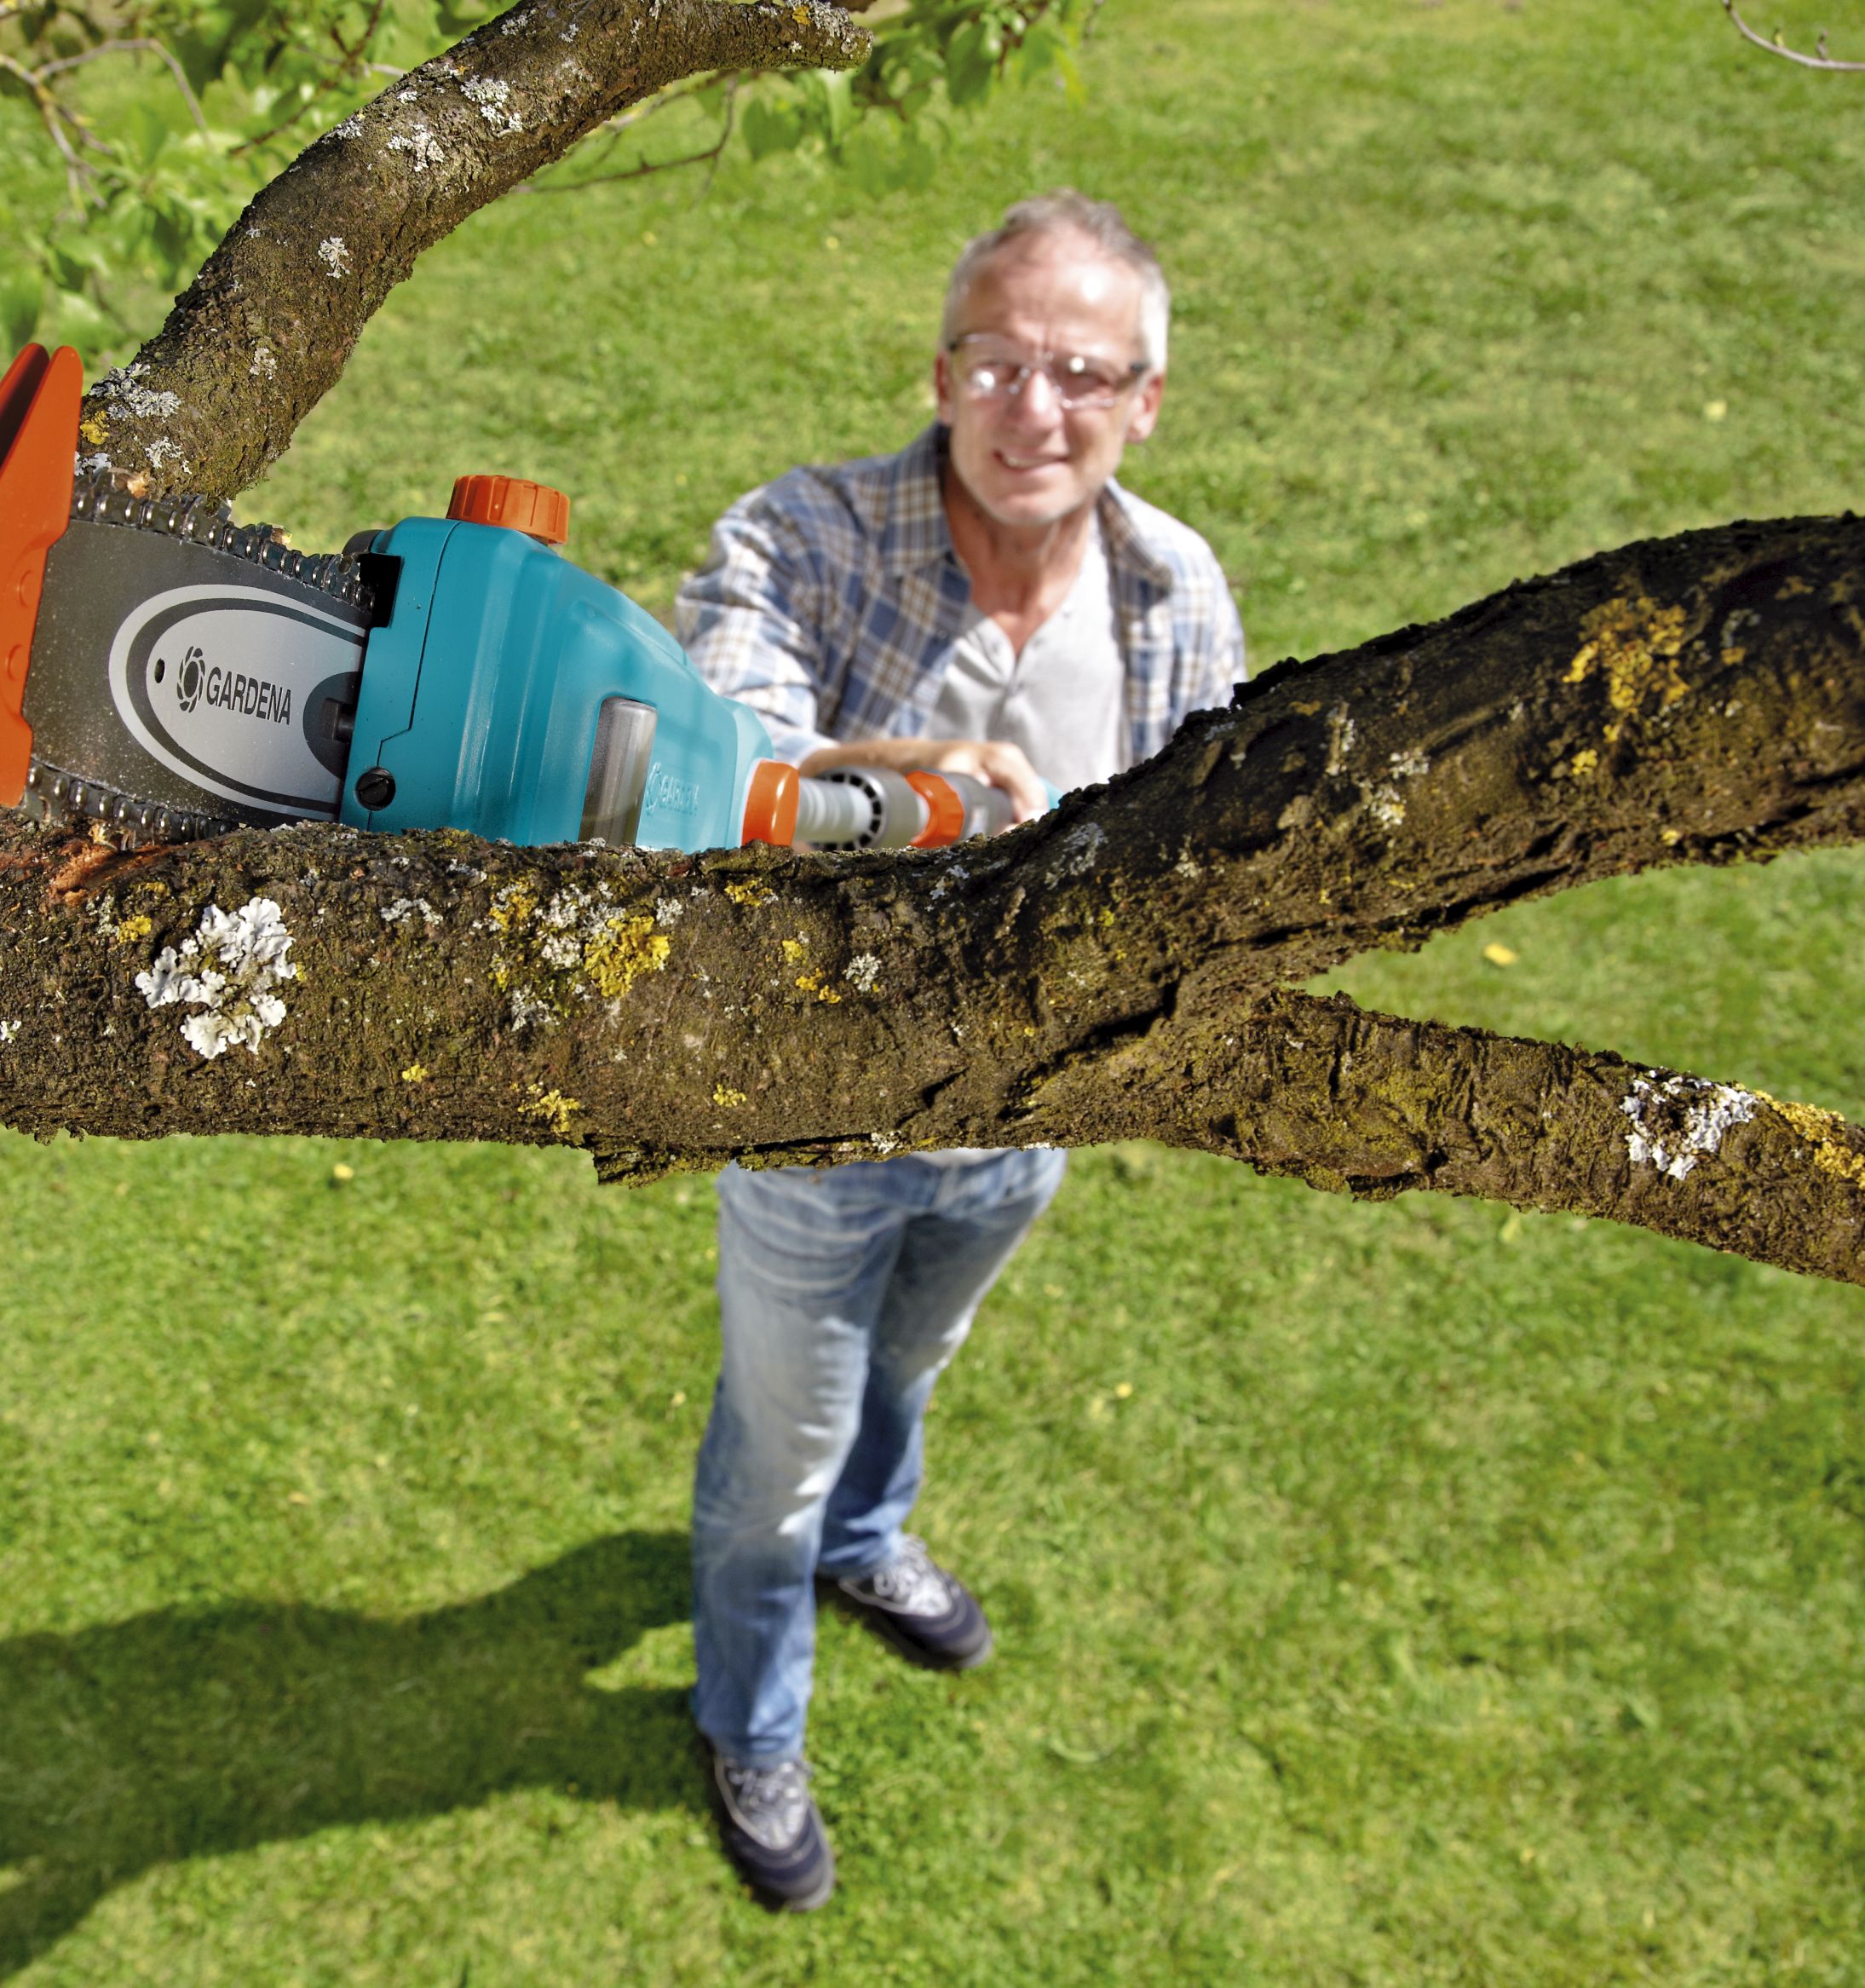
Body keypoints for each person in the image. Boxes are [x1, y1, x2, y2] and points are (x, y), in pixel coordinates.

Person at [672, 188, 1246, 1911]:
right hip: (809, 1128)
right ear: (940, 372)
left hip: (1018, 1129)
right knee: (773, 1460)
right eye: (998, 363)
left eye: (1082, 373)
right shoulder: (800, 538)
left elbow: (1199, 841)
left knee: (908, 1374)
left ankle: (872, 1544)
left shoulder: (1173, 590)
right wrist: (888, 778)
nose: (1033, 411)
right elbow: (713, 759)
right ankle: (748, 1718)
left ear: (1145, 401)